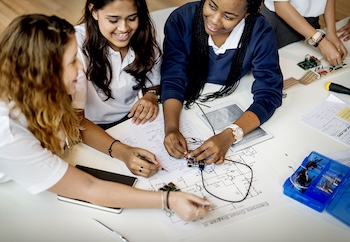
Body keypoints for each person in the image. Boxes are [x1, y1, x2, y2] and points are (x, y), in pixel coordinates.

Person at [0, 14, 210, 221]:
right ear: (44, 72)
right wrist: (169, 200)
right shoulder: (7, 132)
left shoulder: (56, 84)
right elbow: (88, 187)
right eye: (72, 61)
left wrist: (122, 151)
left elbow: (76, 121)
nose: (81, 67)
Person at [161, 0, 283, 164]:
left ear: (247, 14)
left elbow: (269, 93)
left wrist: (230, 135)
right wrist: (171, 128)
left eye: (228, 16)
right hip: (188, 101)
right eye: (211, 6)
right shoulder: (181, 19)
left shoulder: (260, 32)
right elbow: (173, 77)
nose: (214, 20)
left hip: (235, 94)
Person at [72, 0, 163, 178]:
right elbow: (76, 121)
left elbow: (154, 79)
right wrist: (122, 152)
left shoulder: (145, 35)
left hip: (132, 122)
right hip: (91, 130)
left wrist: (151, 95)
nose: (123, 29)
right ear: (94, 11)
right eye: (113, 20)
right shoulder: (75, 46)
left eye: (132, 18)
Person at [260, 0, 348, 66]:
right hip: (278, 24)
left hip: (310, 25)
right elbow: (281, 5)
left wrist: (331, 32)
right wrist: (321, 42)